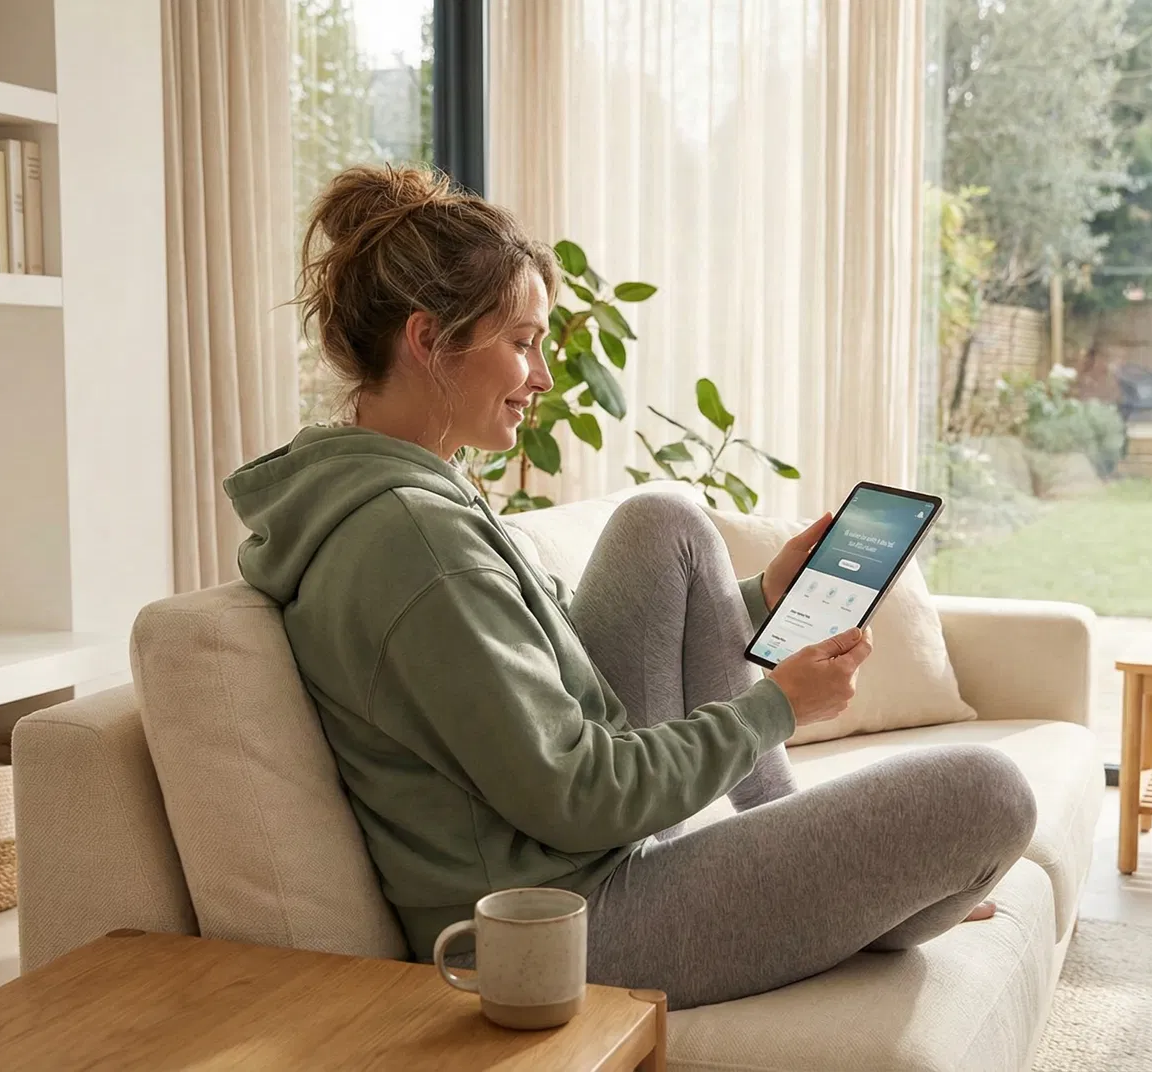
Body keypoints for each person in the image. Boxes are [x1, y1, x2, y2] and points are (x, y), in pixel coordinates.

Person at [225, 164, 1037, 1011]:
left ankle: (800, 855)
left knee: (666, 518)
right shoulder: (414, 544)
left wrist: (757, 599)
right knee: (990, 794)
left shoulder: (405, 499)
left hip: (571, 863)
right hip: (560, 922)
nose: (541, 377)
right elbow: (580, 795)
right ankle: (850, 894)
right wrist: (779, 708)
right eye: (523, 342)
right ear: (429, 341)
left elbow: (546, 697)